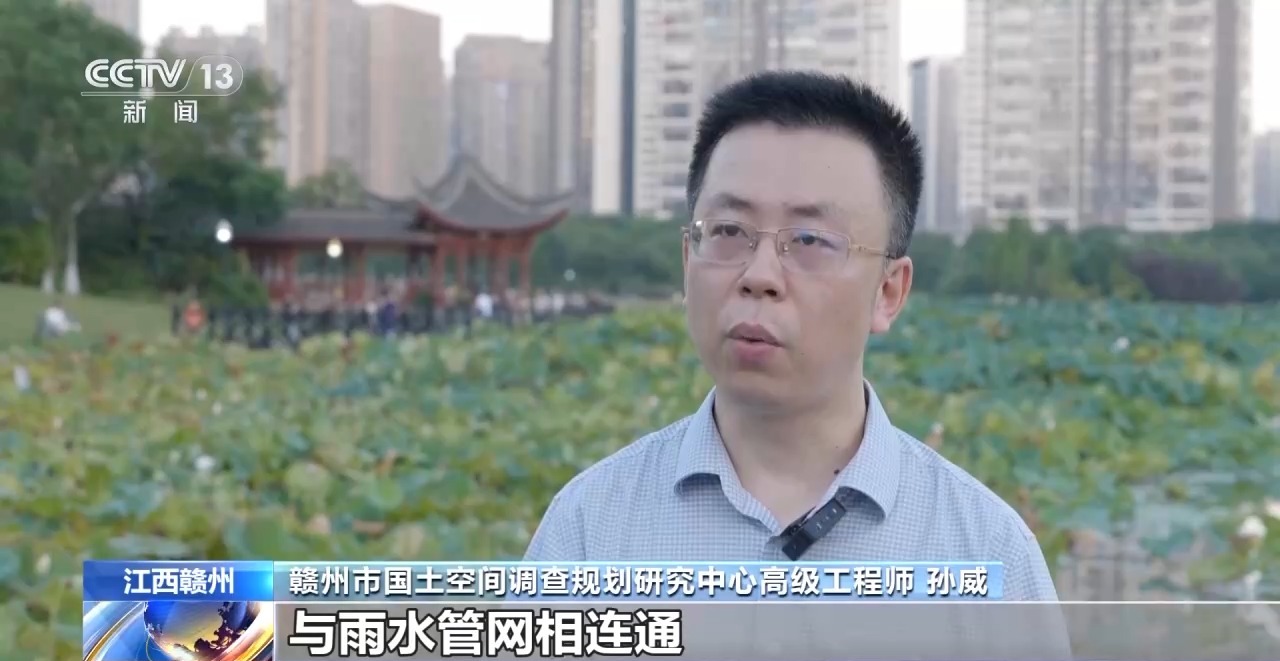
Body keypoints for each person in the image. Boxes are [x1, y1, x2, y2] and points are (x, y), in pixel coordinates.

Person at [524, 72, 1063, 604]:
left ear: (888, 292)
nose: (759, 275)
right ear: (688, 261)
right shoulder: (588, 531)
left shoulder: (987, 553)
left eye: (809, 239)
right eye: (729, 232)